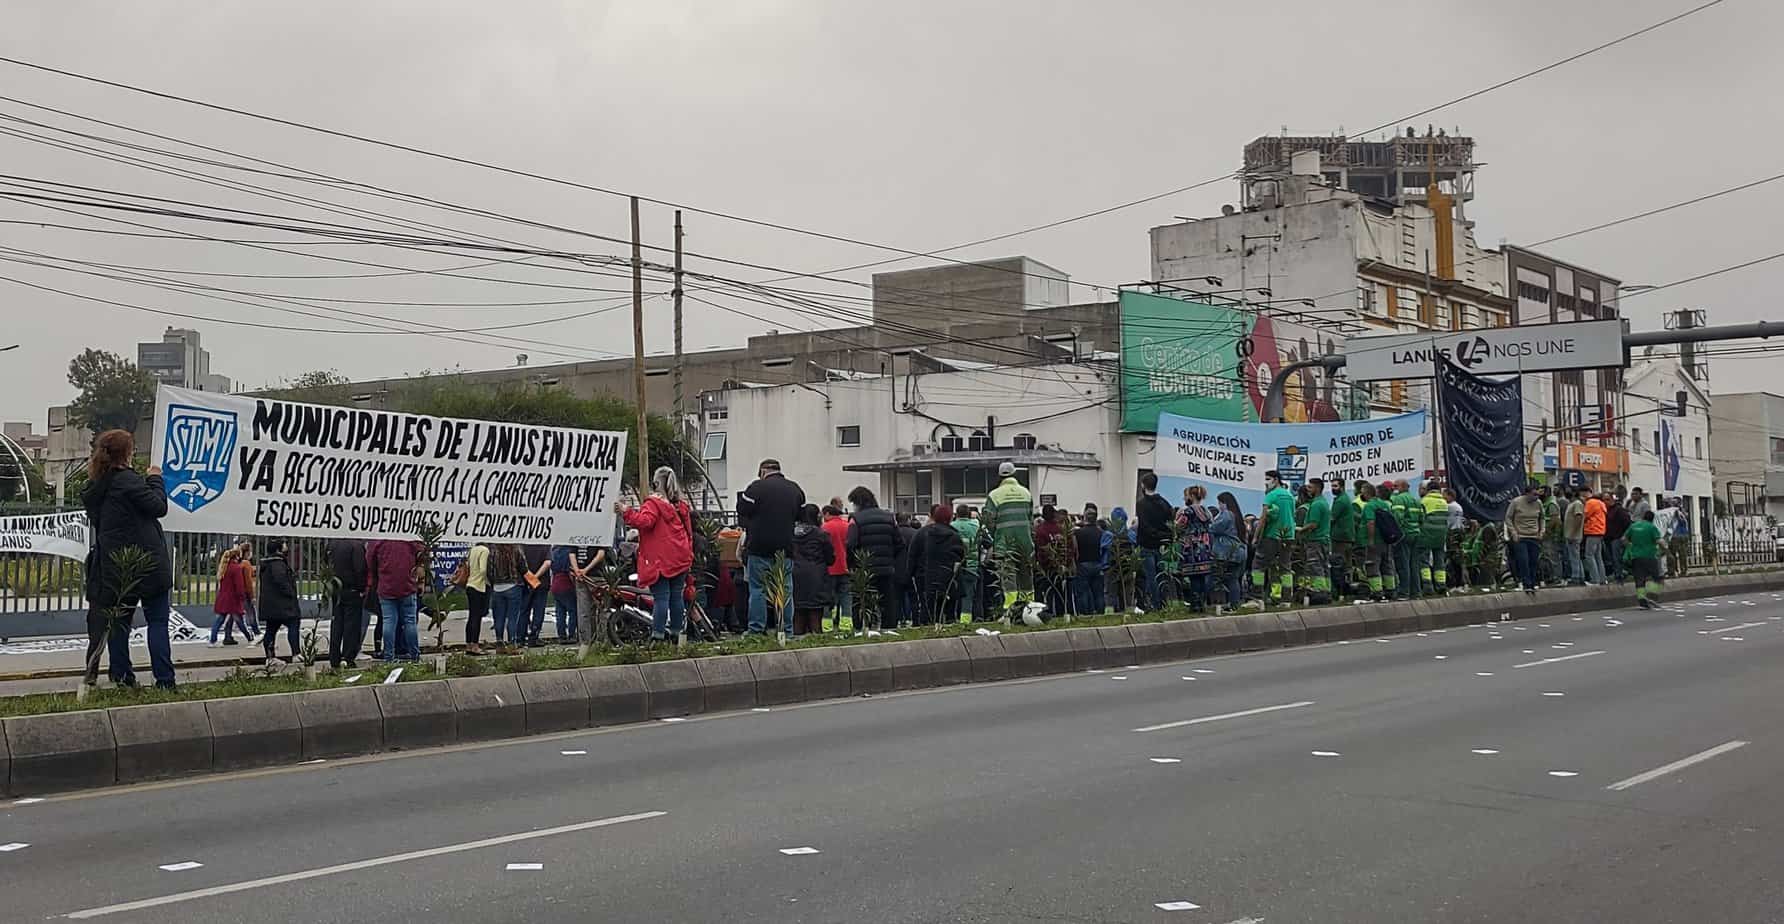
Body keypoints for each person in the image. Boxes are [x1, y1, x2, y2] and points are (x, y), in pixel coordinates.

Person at [80, 430, 176, 689]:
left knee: (119, 623)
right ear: (127, 453)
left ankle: (122, 677)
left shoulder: (96, 487)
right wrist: (155, 478)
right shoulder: (129, 481)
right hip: (147, 563)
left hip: (115, 566)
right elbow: (159, 507)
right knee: (157, 621)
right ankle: (164, 680)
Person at [618, 466, 696, 643]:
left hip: (659, 560)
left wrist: (626, 511)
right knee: (676, 597)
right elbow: (689, 532)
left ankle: (658, 636)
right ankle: (677, 635)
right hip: (680, 557)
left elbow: (644, 522)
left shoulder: (653, 504)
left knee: (661, 599)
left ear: (656, 483)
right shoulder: (680, 506)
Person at [737, 459, 805, 635]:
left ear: (762, 471)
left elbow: (742, 510)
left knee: (758, 589)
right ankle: (786, 630)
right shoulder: (795, 489)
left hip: (759, 547)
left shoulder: (756, 488)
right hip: (785, 548)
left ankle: (756, 630)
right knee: (785, 589)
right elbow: (801, 515)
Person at [845, 486, 902, 631]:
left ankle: (862, 628)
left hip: (864, 569)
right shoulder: (889, 517)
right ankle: (889, 629)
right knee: (887, 601)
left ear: (858, 503)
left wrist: (852, 565)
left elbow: (850, 544)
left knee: (861, 601)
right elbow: (899, 543)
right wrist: (889, 559)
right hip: (886, 568)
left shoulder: (855, 519)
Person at [984, 461, 1035, 612]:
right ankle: (1029, 610)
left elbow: (988, 520)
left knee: (1008, 578)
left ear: (999, 476)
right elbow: (1031, 520)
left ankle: (1010, 611)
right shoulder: (1026, 493)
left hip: (1004, 544)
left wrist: (997, 534)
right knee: (1026, 579)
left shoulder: (994, 495)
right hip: (1025, 544)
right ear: (1015, 474)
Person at [367, 537, 423, 663]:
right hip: (407, 584)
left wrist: (377, 574)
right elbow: (421, 554)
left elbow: (370, 559)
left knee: (388, 622)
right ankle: (414, 656)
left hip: (386, 585)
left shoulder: (379, 539)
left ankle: (389, 656)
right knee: (410, 622)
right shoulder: (409, 538)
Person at [910, 505, 966, 625]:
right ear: (950, 518)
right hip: (949, 578)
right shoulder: (954, 536)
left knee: (929, 611)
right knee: (949, 612)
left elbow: (912, 555)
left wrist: (911, 574)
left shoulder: (924, 534)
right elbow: (961, 558)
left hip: (929, 578)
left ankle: (928, 628)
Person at [1251, 470, 1297, 608]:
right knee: (1285, 568)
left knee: (1258, 566)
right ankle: (1286, 600)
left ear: (1276, 480)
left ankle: (1257, 598)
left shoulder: (1271, 496)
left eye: (1268, 479)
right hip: (1288, 536)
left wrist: (1255, 536)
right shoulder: (1290, 496)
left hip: (1272, 535)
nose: (1266, 482)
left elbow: (1263, 518)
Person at [789, 504, 835, 638]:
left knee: (798, 614)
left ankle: (797, 642)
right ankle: (816, 641)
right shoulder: (821, 534)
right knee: (815, 614)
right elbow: (830, 558)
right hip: (816, 576)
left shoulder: (791, 533)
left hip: (795, 574)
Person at [258, 538, 302, 667]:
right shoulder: (278, 563)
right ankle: (296, 654)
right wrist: (291, 593)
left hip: (270, 604)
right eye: (284, 545)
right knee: (293, 624)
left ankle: (270, 657)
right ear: (278, 549)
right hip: (283, 603)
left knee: (271, 629)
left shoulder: (266, 563)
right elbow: (281, 580)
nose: (286, 547)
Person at [1135, 472, 1174, 610]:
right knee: (1161, 575)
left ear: (1143, 486)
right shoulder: (1164, 503)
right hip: (1162, 543)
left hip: (1147, 543)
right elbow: (1170, 520)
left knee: (1150, 576)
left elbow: (1145, 526)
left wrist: (1155, 534)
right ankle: (1163, 602)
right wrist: (1165, 535)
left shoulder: (1141, 504)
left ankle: (1155, 604)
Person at [328, 537, 368, 667]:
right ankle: (347, 657)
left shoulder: (333, 544)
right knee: (351, 626)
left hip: (336, 588)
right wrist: (361, 588)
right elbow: (360, 568)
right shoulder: (356, 546)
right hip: (352, 589)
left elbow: (327, 564)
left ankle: (334, 657)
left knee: (337, 624)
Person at [485, 543, 528, 654]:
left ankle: (499, 643)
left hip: (497, 588)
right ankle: (512, 644)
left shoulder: (492, 550)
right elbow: (523, 568)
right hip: (513, 586)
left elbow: (489, 571)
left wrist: (494, 583)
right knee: (512, 617)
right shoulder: (516, 548)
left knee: (498, 618)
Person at [1505, 481, 1546, 596]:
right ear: (1527, 494)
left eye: (1538, 495)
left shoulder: (1538, 503)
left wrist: (1542, 531)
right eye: (1534, 494)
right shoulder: (1516, 502)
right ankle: (1526, 583)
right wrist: (1513, 532)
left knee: (1534, 561)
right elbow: (1508, 518)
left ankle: (1532, 583)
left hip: (1534, 536)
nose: (1536, 497)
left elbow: (1542, 518)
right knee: (1523, 560)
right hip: (1520, 536)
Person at [1176, 486, 1214, 610]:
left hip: (1192, 546)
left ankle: (1195, 603)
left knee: (1194, 576)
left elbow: (1179, 525)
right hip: (1205, 546)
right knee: (1202, 576)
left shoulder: (1188, 511)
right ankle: (1202, 602)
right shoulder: (1206, 511)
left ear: (1192, 496)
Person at [1209, 491, 1248, 610]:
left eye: (1220, 503)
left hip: (1226, 552)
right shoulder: (1237, 516)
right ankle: (1234, 604)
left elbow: (1215, 528)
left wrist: (1210, 523)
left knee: (1217, 578)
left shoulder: (1226, 514)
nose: (1219, 506)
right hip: (1238, 552)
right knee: (1233, 579)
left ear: (1225, 503)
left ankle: (1219, 604)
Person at [1359, 482, 1396, 601]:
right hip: (1386, 539)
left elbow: (1370, 522)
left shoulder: (1369, 506)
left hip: (1375, 541)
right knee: (1387, 565)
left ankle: (1377, 592)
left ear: (1366, 493)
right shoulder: (1384, 504)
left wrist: (1370, 540)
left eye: (1362, 492)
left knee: (1372, 566)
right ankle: (1390, 590)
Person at [1297, 478, 1332, 605]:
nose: (1308, 490)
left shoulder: (1316, 504)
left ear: (1317, 488)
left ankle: (1318, 592)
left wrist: (1300, 530)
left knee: (1315, 566)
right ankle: (1326, 591)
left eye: (1310, 487)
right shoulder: (1324, 502)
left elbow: (1313, 524)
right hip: (1323, 540)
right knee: (1324, 566)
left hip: (1315, 540)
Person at [1034, 504, 1072, 616]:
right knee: (1063, 591)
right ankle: (1065, 612)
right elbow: (1070, 546)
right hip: (1062, 565)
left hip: (1048, 567)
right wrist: (1068, 562)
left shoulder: (1040, 530)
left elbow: (1040, 549)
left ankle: (1053, 613)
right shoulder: (1061, 529)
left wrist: (1041, 564)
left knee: (1050, 592)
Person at [1623, 509, 1665, 608]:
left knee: (1639, 580)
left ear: (1643, 517)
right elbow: (1660, 541)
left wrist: (1630, 546)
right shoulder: (1652, 527)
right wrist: (1664, 550)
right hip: (1650, 556)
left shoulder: (1633, 526)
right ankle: (1652, 596)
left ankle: (1642, 601)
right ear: (1652, 519)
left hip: (1636, 557)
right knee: (1657, 578)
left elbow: (1624, 539)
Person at [209, 549, 250, 648]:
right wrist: (242, 596)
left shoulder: (224, 567)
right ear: (237, 557)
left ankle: (213, 640)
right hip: (233, 599)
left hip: (223, 598)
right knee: (239, 620)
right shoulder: (236, 568)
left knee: (220, 619)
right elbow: (239, 585)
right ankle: (250, 638)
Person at [1389, 479, 1422, 599]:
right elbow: (1422, 518)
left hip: (1404, 535)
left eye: (1395, 486)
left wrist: (1396, 534)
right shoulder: (1415, 500)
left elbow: (1397, 518)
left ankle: (1404, 592)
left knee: (1403, 565)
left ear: (1402, 487)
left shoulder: (1399, 499)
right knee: (1414, 564)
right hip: (1416, 534)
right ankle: (1416, 592)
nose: (1393, 488)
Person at [821, 506, 852, 630]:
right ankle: (846, 623)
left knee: (828, 596)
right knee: (846, 596)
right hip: (846, 567)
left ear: (828, 514)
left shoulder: (825, 527)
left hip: (830, 568)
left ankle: (827, 625)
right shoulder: (848, 526)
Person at [1416, 482, 1449, 597]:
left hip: (1426, 535)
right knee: (1439, 562)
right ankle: (1441, 586)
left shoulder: (1424, 501)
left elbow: (1420, 518)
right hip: (1441, 536)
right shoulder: (1444, 502)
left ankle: (1427, 586)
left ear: (1428, 490)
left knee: (1423, 561)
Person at [1072, 506, 1106, 616]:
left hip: (1083, 564)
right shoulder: (1102, 533)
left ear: (1085, 518)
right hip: (1098, 563)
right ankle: (1100, 613)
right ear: (1096, 518)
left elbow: (1075, 550)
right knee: (1099, 592)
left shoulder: (1078, 533)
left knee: (1083, 592)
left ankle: (1085, 614)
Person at [952, 504, 982, 622]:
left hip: (954, 567)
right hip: (972, 566)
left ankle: (952, 619)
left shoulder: (951, 526)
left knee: (953, 596)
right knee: (968, 597)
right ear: (969, 514)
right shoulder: (976, 527)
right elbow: (988, 543)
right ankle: (965, 621)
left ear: (957, 514)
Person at [461, 541, 491, 655]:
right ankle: (475, 646)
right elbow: (483, 569)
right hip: (479, 586)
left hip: (470, 585)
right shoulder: (485, 550)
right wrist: (488, 581)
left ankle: (468, 645)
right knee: (477, 618)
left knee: (471, 616)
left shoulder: (472, 550)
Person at [520, 544, 552, 646]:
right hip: (542, 583)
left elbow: (520, 563)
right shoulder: (545, 545)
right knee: (538, 611)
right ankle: (533, 637)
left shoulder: (522, 545)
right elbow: (547, 563)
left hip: (525, 582)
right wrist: (535, 577)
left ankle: (520, 638)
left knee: (524, 610)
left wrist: (530, 578)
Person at [1328, 480, 1355, 599]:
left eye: (1335, 486)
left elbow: (1331, 518)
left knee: (1338, 565)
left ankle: (1339, 592)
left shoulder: (1340, 501)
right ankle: (1347, 591)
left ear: (1342, 487)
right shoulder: (1346, 498)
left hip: (1340, 537)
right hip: (1347, 537)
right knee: (1347, 566)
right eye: (1332, 486)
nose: (1333, 488)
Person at [893, 512, 921, 625]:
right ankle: (915, 620)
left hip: (896, 569)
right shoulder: (916, 533)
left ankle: (898, 620)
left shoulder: (893, 533)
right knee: (914, 598)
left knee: (897, 598)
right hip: (912, 570)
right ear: (908, 520)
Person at [548, 545, 578, 642]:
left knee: (560, 612)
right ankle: (572, 634)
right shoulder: (570, 551)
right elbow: (570, 570)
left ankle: (561, 635)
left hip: (555, 583)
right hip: (566, 583)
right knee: (573, 611)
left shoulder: (553, 551)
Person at [1582, 488, 1608, 585]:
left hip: (1592, 531)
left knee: (1589, 555)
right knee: (1598, 556)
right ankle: (1602, 579)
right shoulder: (1601, 504)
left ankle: (1594, 579)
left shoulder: (1590, 503)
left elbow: (1585, 515)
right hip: (1601, 531)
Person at [1540, 485, 1564, 586]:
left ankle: (1557, 578)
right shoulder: (1545, 503)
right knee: (1547, 557)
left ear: (1546, 493)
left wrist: (1546, 532)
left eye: (1541, 492)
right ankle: (1551, 577)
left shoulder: (1551, 504)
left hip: (1551, 535)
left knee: (1553, 557)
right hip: (1547, 534)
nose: (1539, 494)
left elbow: (1554, 520)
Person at [1605, 492, 1631, 583]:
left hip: (1617, 537)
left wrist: (1624, 535)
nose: (1605, 502)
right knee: (1612, 558)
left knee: (1617, 557)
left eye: (1607, 499)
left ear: (1612, 500)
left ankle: (1619, 575)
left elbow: (1627, 522)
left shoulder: (1619, 510)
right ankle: (1617, 573)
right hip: (1609, 537)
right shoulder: (1607, 510)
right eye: (1604, 500)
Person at [1443, 488, 1467, 589]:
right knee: (1457, 559)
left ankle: (1457, 583)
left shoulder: (1449, 506)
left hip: (1452, 533)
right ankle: (1460, 582)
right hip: (1459, 532)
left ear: (1450, 496)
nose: (1443, 498)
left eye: (1444, 495)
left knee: (1453, 559)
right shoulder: (1459, 507)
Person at [1562, 487, 1586, 585]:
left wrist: (1572, 533)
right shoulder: (1571, 504)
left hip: (1574, 536)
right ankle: (1580, 576)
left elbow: (1578, 518)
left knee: (1574, 557)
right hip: (1570, 535)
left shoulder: (1577, 504)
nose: (1566, 492)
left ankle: (1576, 577)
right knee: (1575, 556)